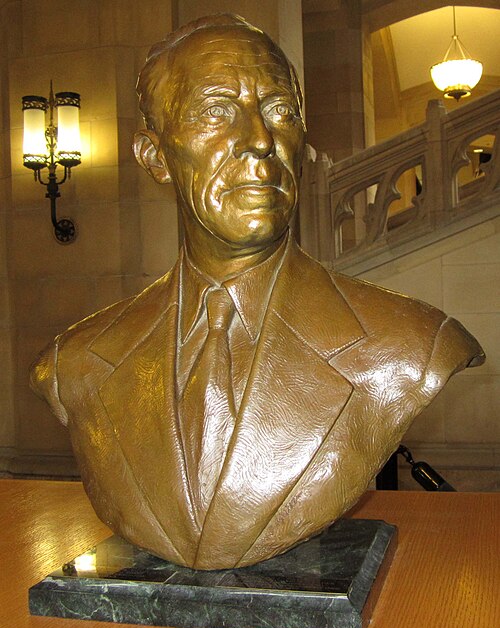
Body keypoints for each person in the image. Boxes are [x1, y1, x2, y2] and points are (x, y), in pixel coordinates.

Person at [31, 14, 484, 570]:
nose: (259, 141)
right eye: (216, 111)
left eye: (280, 112)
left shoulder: (411, 348)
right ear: (155, 158)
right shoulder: (75, 364)